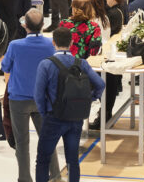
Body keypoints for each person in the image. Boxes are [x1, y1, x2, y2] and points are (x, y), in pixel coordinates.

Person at [34, 26, 105, 182]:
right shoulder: (82, 63)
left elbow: (38, 94)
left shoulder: (46, 64)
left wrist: (45, 113)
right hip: (75, 116)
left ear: (53, 42)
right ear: (72, 42)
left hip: (53, 116)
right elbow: (100, 84)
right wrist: (90, 99)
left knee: (43, 159)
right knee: (72, 160)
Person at [2, 9, 61, 182]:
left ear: (24, 25)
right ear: (43, 25)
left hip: (19, 99)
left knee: (22, 143)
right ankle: (56, 176)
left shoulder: (15, 45)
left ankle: (24, 178)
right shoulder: (51, 44)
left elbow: (5, 67)